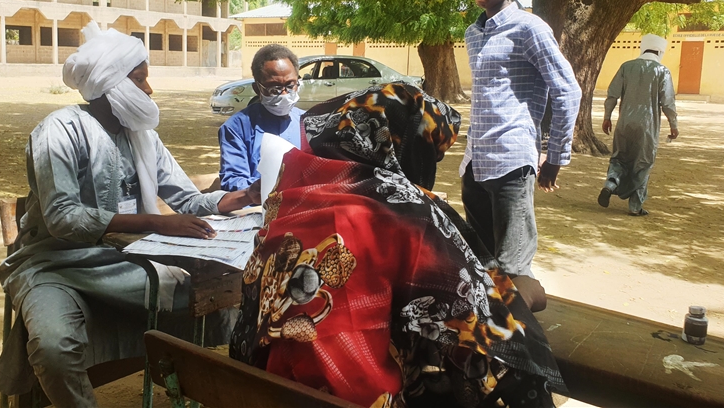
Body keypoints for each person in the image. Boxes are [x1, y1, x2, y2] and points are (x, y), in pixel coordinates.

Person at [230, 83, 565, 408]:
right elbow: (476, 313)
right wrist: (523, 293)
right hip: (353, 392)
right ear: (408, 147)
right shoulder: (401, 210)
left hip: (267, 388)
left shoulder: (291, 196)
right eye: (430, 153)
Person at [0, 22, 260, 406]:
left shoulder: (143, 136)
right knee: (53, 349)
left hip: (124, 262)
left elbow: (185, 198)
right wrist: (155, 222)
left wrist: (241, 196)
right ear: (109, 83)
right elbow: (63, 217)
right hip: (53, 265)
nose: (149, 90)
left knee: (227, 295)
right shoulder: (59, 131)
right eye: (139, 80)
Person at [461, 0, 581, 277]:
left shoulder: (530, 29)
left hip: (511, 165)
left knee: (512, 269)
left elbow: (568, 91)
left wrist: (555, 157)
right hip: (476, 165)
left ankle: (522, 331)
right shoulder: (474, 33)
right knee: (480, 267)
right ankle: (491, 330)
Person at [598, 34, 678, 216]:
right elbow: (668, 103)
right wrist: (674, 125)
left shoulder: (626, 67)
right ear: (659, 51)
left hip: (624, 123)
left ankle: (610, 185)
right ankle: (635, 206)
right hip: (647, 125)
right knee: (643, 162)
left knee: (619, 158)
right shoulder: (662, 71)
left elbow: (612, 95)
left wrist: (607, 117)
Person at [218, 44, 305, 191]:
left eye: (290, 86)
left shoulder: (308, 122)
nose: (284, 94)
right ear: (257, 89)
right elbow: (233, 182)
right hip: (259, 208)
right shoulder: (237, 128)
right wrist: (274, 185)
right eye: (274, 88)